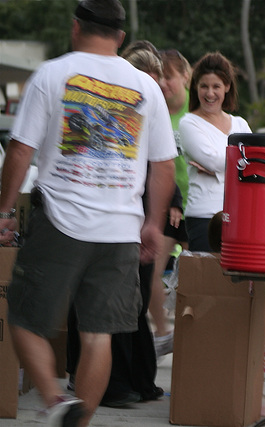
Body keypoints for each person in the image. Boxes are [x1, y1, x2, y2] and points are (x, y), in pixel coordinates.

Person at [0, 1, 176, 426]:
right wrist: (152, 223)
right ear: (119, 38)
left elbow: (21, 150)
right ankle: (79, 419)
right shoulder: (147, 87)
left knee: (24, 318)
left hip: (60, 222)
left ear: (76, 27)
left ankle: (56, 400)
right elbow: (164, 165)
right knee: (98, 334)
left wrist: (3, 208)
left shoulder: (51, 74)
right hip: (121, 229)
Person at [65, 41, 168, 408]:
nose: (151, 89)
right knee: (107, 306)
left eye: (157, 82)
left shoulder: (151, 108)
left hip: (134, 208)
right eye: (147, 80)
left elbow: (164, 164)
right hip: (108, 210)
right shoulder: (104, 106)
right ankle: (111, 384)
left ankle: (134, 379)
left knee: (132, 303)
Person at [179, 51, 251, 252]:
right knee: (205, 281)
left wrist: (221, 168)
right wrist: (238, 165)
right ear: (195, 87)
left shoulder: (240, 124)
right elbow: (212, 161)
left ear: (227, 87)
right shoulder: (189, 123)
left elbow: (258, 162)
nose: (210, 93)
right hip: (204, 218)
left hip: (239, 216)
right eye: (204, 86)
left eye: (216, 86)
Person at [149, 48, 193, 359]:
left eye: (170, 76)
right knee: (150, 271)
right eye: (160, 77)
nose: (164, 83)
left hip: (201, 209)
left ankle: (194, 337)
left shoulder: (198, 109)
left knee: (193, 280)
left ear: (185, 77)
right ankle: (163, 333)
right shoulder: (156, 109)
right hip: (168, 206)